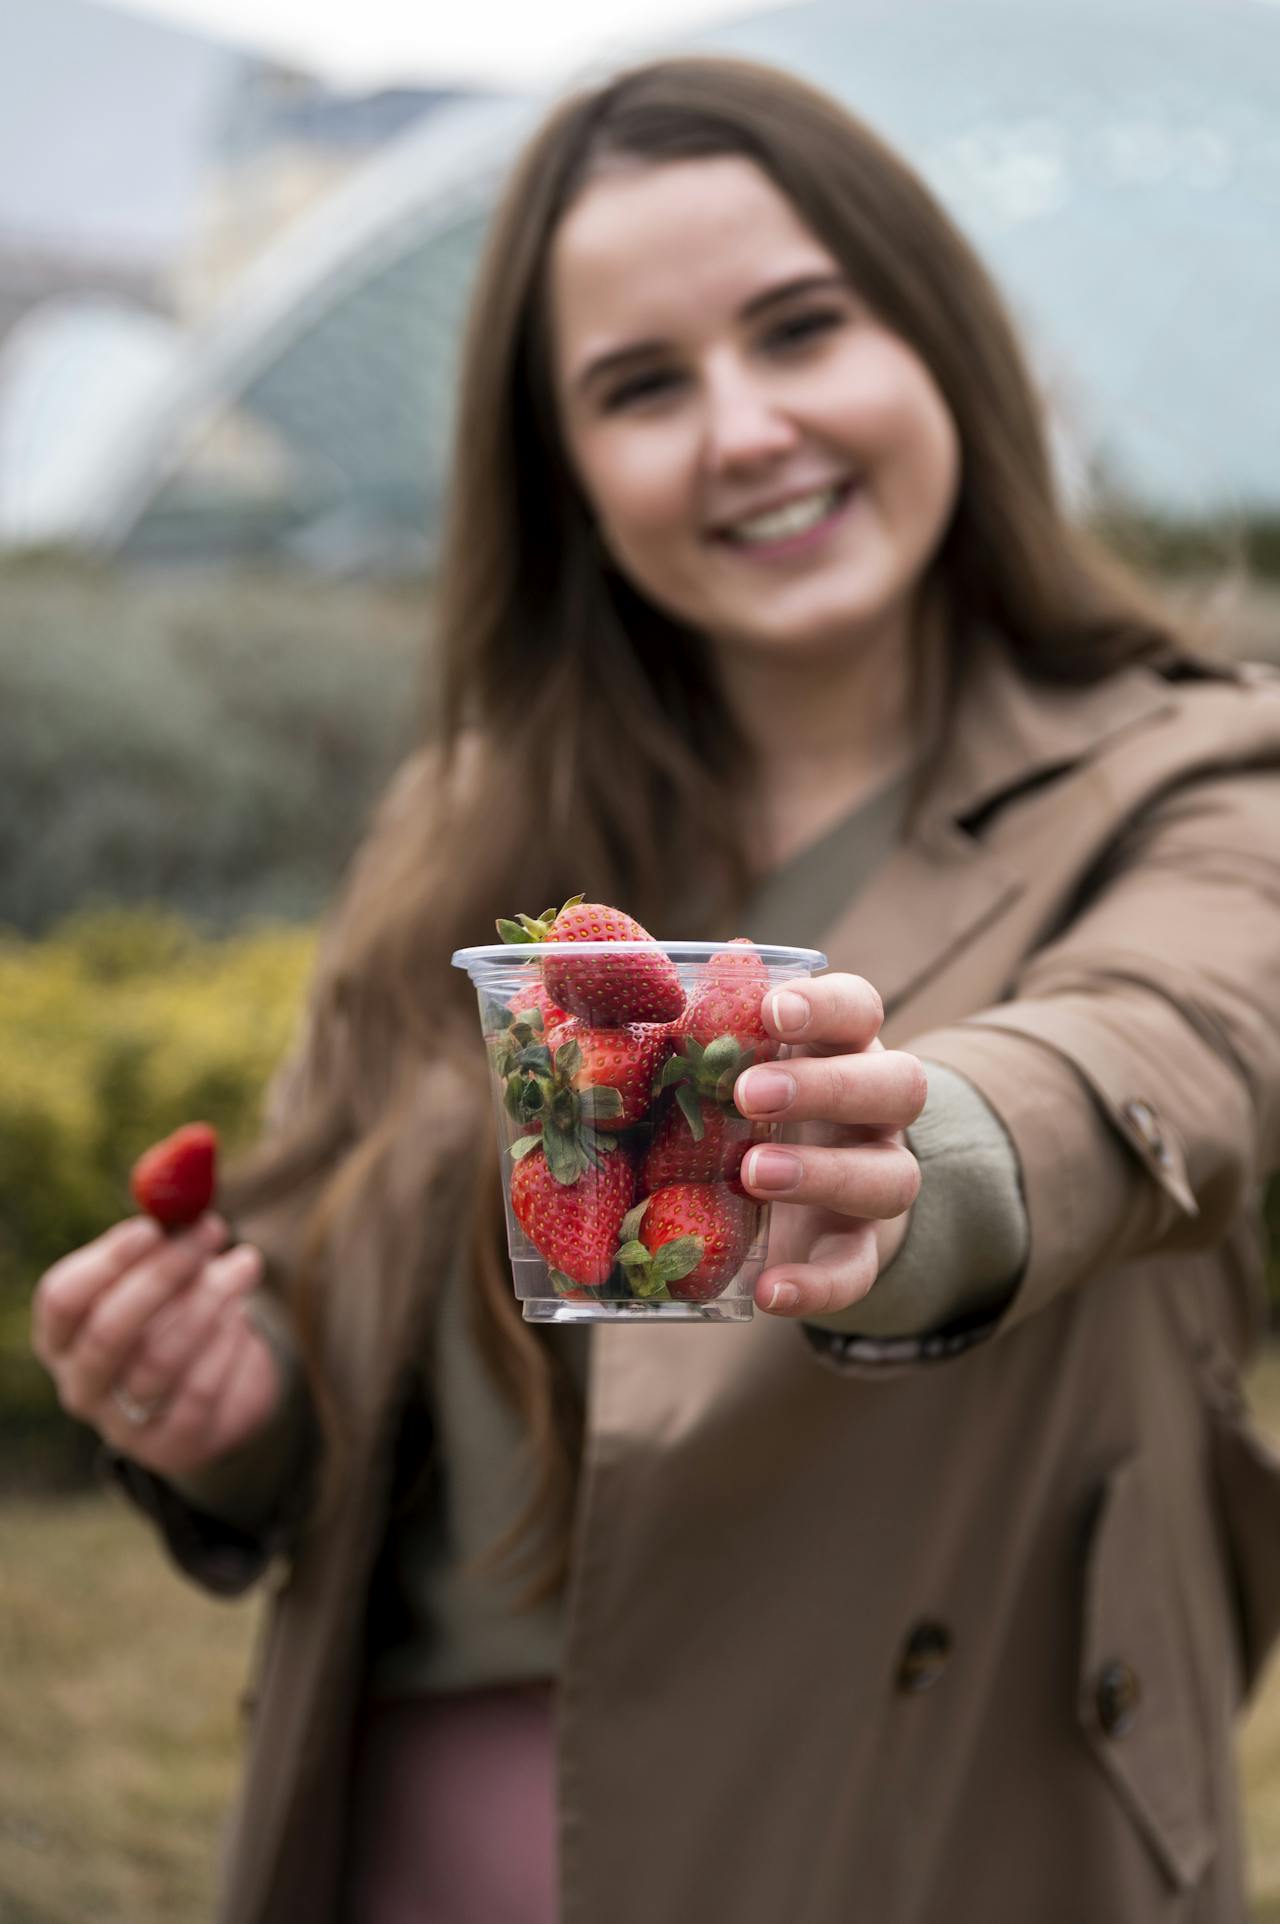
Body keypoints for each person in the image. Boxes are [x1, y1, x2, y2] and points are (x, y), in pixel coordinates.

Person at [29, 53, 1280, 1924]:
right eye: (640, 386)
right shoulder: (462, 837)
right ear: (567, 473)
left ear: (942, 343)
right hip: (420, 1843)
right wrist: (234, 1413)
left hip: (923, 1848)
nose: (744, 427)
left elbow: (1170, 1051)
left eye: (801, 330)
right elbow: (331, 1314)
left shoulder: (1197, 775)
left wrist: (917, 1159)